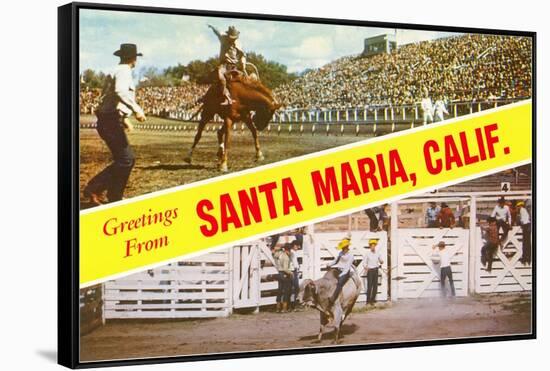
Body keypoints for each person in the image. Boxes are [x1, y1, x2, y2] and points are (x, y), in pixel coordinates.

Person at [84, 43, 146, 205]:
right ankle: (94, 188)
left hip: (110, 119)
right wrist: (137, 109)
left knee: (126, 159)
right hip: (109, 120)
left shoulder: (118, 70)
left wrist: (124, 118)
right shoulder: (124, 71)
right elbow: (120, 92)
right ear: (133, 59)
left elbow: (111, 97)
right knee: (126, 159)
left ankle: (114, 196)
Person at [208, 24, 247, 105]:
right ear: (228, 35)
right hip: (224, 65)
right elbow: (217, 31)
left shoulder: (239, 44)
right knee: (221, 77)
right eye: (231, 38)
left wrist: (243, 64)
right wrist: (212, 27)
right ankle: (226, 96)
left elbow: (243, 55)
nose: (232, 40)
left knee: (246, 80)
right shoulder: (223, 37)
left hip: (234, 67)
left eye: (234, 38)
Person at [327, 237, 355, 306]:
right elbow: (336, 261)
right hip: (338, 270)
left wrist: (341, 275)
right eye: (342, 248)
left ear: (347, 247)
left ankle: (333, 298)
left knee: (339, 283)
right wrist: (329, 264)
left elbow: (347, 267)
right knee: (329, 277)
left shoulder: (351, 255)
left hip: (346, 272)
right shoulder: (340, 253)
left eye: (344, 248)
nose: (343, 249)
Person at [363, 239, 384, 305]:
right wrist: (366, 267)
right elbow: (364, 263)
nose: (373, 247)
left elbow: (381, 261)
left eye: (374, 246)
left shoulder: (378, 253)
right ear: (370, 247)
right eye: (372, 246)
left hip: (376, 270)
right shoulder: (367, 254)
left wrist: (381, 261)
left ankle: (373, 300)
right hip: (370, 271)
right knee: (369, 286)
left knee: (375, 286)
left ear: (375, 246)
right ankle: (368, 301)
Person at [289, 240, 301, 311]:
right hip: (293, 271)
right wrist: (298, 268)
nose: (298, 247)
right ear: (294, 245)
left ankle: (292, 304)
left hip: (292, 271)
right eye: (297, 246)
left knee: (293, 288)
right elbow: (295, 263)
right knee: (295, 288)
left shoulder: (292, 252)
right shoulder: (292, 253)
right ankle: (293, 305)